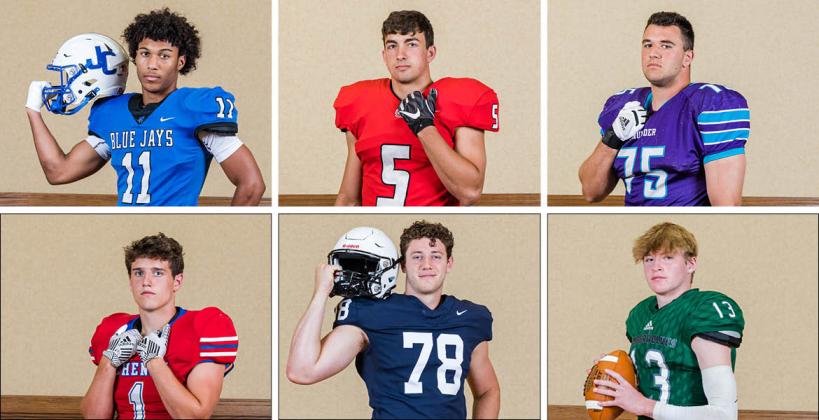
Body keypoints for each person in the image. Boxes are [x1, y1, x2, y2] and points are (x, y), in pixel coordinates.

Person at [25, 8, 265, 206]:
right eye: (145, 53)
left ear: (180, 61)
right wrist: (33, 112)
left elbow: (252, 184)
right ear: (134, 57)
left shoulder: (194, 108)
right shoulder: (111, 113)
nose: (152, 65)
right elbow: (58, 172)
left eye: (164, 55)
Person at [286, 222, 500, 419]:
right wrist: (321, 293)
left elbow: (487, 391)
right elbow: (302, 371)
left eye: (436, 256)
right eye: (417, 256)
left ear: (449, 263)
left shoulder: (471, 317)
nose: (427, 264)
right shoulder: (370, 312)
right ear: (403, 265)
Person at [578, 11, 749, 206]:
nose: (654, 53)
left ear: (687, 57)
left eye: (666, 45)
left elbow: (725, 206)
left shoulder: (711, 105)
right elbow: (591, 192)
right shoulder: (623, 105)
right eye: (648, 44)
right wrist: (612, 137)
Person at [334, 10, 500, 206]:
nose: (400, 55)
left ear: (430, 53)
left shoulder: (460, 99)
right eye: (392, 46)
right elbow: (349, 197)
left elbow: (470, 192)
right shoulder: (360, 102)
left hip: (431, 229)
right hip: (377, 228)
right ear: (384, 55)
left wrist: (424, 127)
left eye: (411, 44)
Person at [592, 222, 744, 419]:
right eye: (649, 259)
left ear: (690, 264)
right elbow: (660, 381)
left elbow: (724, 415)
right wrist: (617, 380)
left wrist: (643, 405)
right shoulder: (639, 315)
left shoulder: (704, 310)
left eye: (668, 258)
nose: (656, 267)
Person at [80, 233, 238, 418]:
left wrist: (154, 361)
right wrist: (108, 363)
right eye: (138, 273)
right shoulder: (114, 329)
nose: (146, 282)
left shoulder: (205, 326)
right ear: (130, 281)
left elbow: (195, 417)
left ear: (176, 282)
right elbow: (94, 417)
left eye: (158, 273)